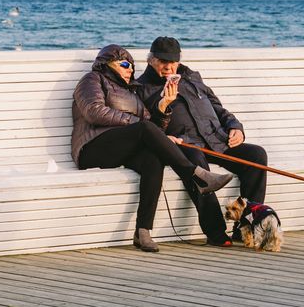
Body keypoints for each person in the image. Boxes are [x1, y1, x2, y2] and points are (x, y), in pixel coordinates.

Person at [72, 44, 233, 252]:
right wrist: (139, 124)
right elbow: (94, 111)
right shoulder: (92, 79)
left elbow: (152, 126)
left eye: (131, 65)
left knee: (155, 159)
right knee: (145, 130)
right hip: (93, 146)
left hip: (123, 147)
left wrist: (165, 107)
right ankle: (196, 175)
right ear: (107, 64)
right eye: (124, 64)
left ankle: (143, 231)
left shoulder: (131, 92)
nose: (130, 68)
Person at [137, 36, 269, 247]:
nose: (168, 67)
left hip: (215, 140)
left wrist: (235, 126)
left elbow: (217, 107)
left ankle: (246, 227)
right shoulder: (142, 88)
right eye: (163, 61)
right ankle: (215, 232)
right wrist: (164, 105)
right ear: (150, 60)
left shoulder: (191, 77)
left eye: (173, 62)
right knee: (197, 164)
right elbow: (149, 127)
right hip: (186, 145)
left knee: (256, 155)